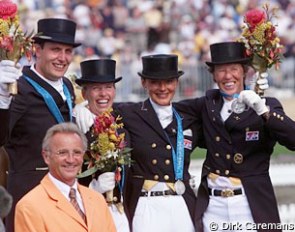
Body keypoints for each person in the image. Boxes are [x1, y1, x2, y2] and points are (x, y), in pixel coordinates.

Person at [177, 42, 295, 232]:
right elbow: (165, 110)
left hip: (249, 203)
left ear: (244, 72)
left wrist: (264, 111)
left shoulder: (266, 104)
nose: (228, 76)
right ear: (214, 75)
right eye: (221, 70)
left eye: (234, 69)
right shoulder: (206, 104)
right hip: (214, 206)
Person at [0, 18, 80, 231]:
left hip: (66, 195)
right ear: (37, 50)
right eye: (55, 50)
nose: (62, 58)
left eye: (67, 51)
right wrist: (1, 102)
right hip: (30, 196)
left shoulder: (67, 86)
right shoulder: (18, 86)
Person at [14, 122, 116, 232]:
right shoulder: (29, 206)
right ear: (46, 157)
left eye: (77, 152)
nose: (71, 160)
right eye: (62, 153)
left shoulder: (97, 199)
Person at [75, 59, 130, 232]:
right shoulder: (76, 128)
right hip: (86, 213)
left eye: (108, 87)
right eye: (96, 88)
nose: (103, 94)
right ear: (84, 94)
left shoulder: (122, 127)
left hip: (120, 212)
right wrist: (92, 189)